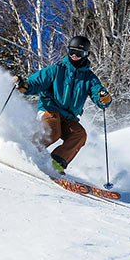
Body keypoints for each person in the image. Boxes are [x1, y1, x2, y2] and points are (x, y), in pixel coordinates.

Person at [14, 36, 112, 175]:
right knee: (53, 131)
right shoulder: (56, 70)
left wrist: (104, 98)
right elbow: (36, 83)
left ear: (86, 54)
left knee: (79, 134)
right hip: (50, 109)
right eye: (72, 52)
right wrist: (24, 85)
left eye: (79, 53)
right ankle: (27, 151)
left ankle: (55, 164)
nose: (74, 56)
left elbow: (99, 95)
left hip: (69, 116)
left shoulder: (89, 78)